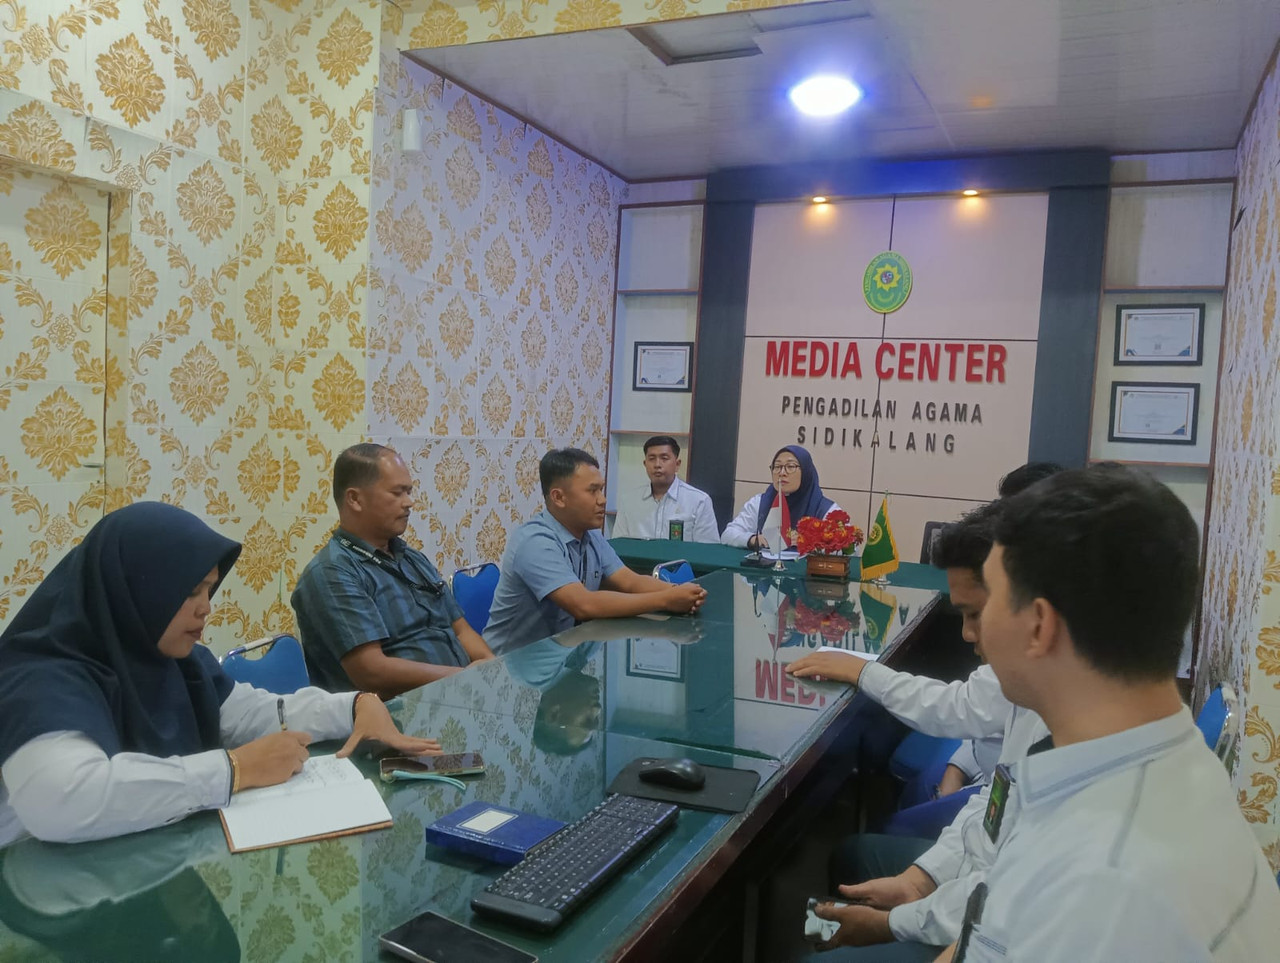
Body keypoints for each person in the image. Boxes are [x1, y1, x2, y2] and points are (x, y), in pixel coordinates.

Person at [931, 466, 1280, 959]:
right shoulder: (1153, 768)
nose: (974, 630)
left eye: (989, 603)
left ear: (1038, 625)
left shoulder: (1108, 887)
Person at [0, 502, 440, 846]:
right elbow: (63, 799)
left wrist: (354, 705)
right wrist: (234, 769)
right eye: (189, 592)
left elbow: (249, 713)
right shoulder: (41, 676)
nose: (206, 608)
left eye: (209, 589)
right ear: (134, 591)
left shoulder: (173, 658)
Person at [788, 503, 1008, 801]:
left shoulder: (1029, 682)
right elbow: (982, 713)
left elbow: (959, 708)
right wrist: (958, 767)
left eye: (976, 614)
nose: (966, 634)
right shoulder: (1017, 679)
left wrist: (862, 671)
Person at [291, 444, 494, 698]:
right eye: (397, 493)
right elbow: (371, 672)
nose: (409, 503)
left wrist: (491, 669)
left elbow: (461, 630)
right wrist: (462, 679)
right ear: (355, 499)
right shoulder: (332, 572)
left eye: (408, 492)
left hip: (456, 697)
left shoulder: (411, 558)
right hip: (394, 712)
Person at [484, 448, 707, 654]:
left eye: (601, 489)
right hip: (511, 666)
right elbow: (584, 605)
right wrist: (666, 600)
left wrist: (681, 593)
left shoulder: (590, 535)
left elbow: (629, 581)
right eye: (592, 491)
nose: (602, 500)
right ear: (559, 497)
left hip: (560, 657)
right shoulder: (534, 541)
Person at [722, 445, 842, 549]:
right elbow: (728, 534)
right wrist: (752, 539)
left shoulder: (826, 509)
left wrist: (810, 541)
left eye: (790, 467)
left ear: (806, 472)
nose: (782, 473)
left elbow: (846, 548)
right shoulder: (760, 502)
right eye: (777, 467)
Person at [612, 435, 719, 543]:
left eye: (664, 458)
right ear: (645, 464)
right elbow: (618, 545)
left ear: (677, 464)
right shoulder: (629, 501)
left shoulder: (699, 501)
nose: (657, 465)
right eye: (652, 459)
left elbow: (708, 550)